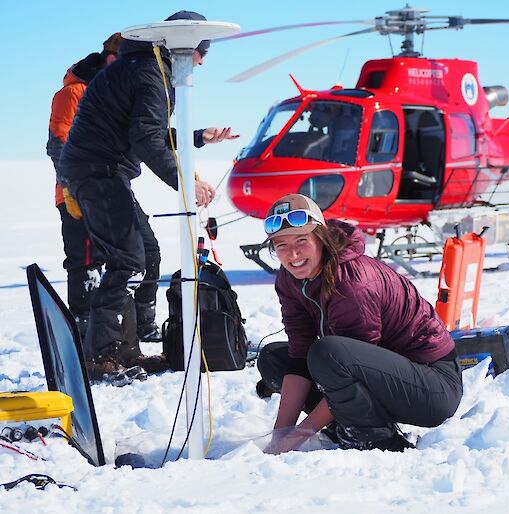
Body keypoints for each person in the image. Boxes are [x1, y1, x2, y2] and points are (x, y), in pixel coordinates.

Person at [59, 11, 237, 379]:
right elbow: (146, 139)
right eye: (202, 52)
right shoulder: (149, 74)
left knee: (146, 254)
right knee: (127, 260)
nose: (202, 61)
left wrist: (199, 136)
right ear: (186, 49)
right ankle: (102, 355)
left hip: (106, 172)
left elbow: (148, 130)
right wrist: (186, 182)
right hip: (97, 172)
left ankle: (126, 350)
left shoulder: (145, 68)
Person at [257, 194, 463, 453]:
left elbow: (348, 367)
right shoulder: (290, 279)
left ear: (321, 238)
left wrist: (298, 436)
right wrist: (280, 437)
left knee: (328, 354)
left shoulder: (353, 283)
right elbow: (299, 354)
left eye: (302, 241)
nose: (293, 254)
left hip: (433, 388)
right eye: (281, 245)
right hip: (384, 376)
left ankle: (377, 437)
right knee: (274, 359)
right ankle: (348, 423)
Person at [46, 33, 123, 341]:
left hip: (105, 191)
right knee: (84, 260)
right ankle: (81, 328)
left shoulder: (106, 92)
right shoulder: (73, 93)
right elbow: (58, 143)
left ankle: (108, 328)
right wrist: (73, 188)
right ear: (110, 59)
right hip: (75, 194)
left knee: (114, 258)